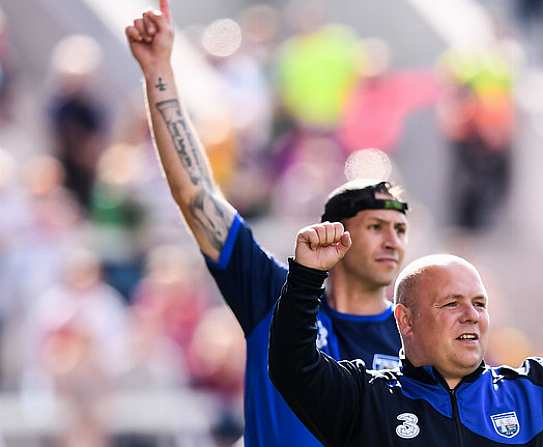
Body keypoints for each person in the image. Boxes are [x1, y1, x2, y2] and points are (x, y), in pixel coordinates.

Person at [125, 3, 410, 446]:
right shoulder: (274, 301)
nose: (392, 241)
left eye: (400, 229)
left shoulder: (420, 336)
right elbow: (197, 196)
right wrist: (159, 71)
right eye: (375, 226)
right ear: (335, 234)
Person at [270, 224, 543, 446]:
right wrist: (306, 279)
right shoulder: (364, 400)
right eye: (452, 304)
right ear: (406, 320)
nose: (471, 316)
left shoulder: (536, 394)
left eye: (479, 304)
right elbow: (292, 366)